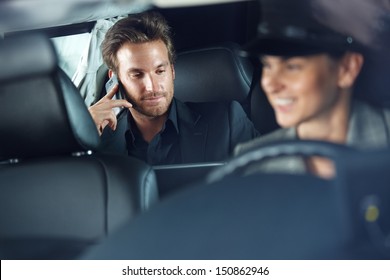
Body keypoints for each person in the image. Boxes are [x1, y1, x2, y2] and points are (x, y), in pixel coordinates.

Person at [234, 0, 390, 179]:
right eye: (267, 65)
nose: (270, 84)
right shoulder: (252, 164)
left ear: (347, 68)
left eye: (292, 67)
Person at [88, 11, 259, 165]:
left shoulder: (227, 121)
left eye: (160, 71)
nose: (151, 87)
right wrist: (80, 133)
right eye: (137, 75)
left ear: (172, 70)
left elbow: (268, 186)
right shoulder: (99, 140)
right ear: (115, 78)